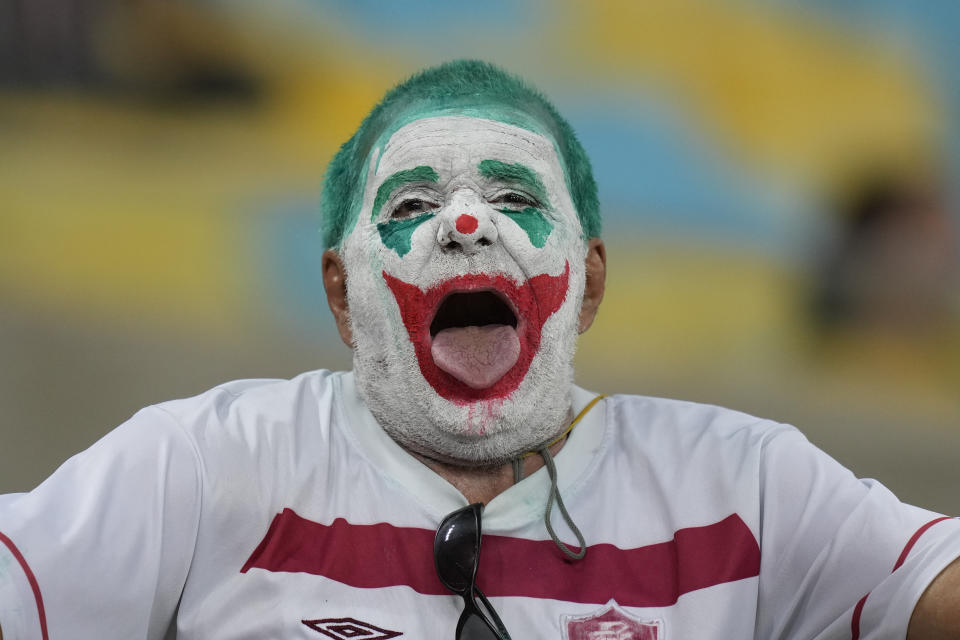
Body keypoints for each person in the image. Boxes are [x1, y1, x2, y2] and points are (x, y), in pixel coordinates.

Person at [0, 60, 957, 640]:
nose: (465, 223)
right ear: (343, 293)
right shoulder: (209, 467)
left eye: (514, 196)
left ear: (588, 283)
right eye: (412, 205)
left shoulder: (748, 490)